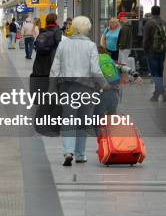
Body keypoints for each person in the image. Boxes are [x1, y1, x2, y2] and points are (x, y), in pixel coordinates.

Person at [50, 16, 108, 166]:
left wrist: (51, 88)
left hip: (67, 87)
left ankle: (68, 152)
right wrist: (104, 84)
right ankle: (80, 154)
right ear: (86, 28)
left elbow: (55, 69)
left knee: (68, 119)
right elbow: (95, 70)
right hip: (86, 88)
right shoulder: (91, 46)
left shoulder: (63, 45)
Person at [95, 45, 141, 124]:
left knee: (97, 120)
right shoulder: (110, 60)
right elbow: (123, 67)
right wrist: (135, 74)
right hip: (115, 93)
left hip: (102, 94)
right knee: (111, 118)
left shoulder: (94, 60)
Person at [142, 6, 166, 102]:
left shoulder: (149, 23)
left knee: (155, 74)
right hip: (162, 52)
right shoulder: (165, 23)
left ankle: (161, 92)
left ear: (151, 12)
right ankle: (158, 93)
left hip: (152, 51)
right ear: (159, 12)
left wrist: (145, 49)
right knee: (159, 73)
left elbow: (146, 39)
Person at [32, 13, 62, 78]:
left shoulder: (43, 30)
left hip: (39, 65)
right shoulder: (57, 31)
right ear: (55, 20)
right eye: (57, 19)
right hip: (51, 62)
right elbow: (60, 46)